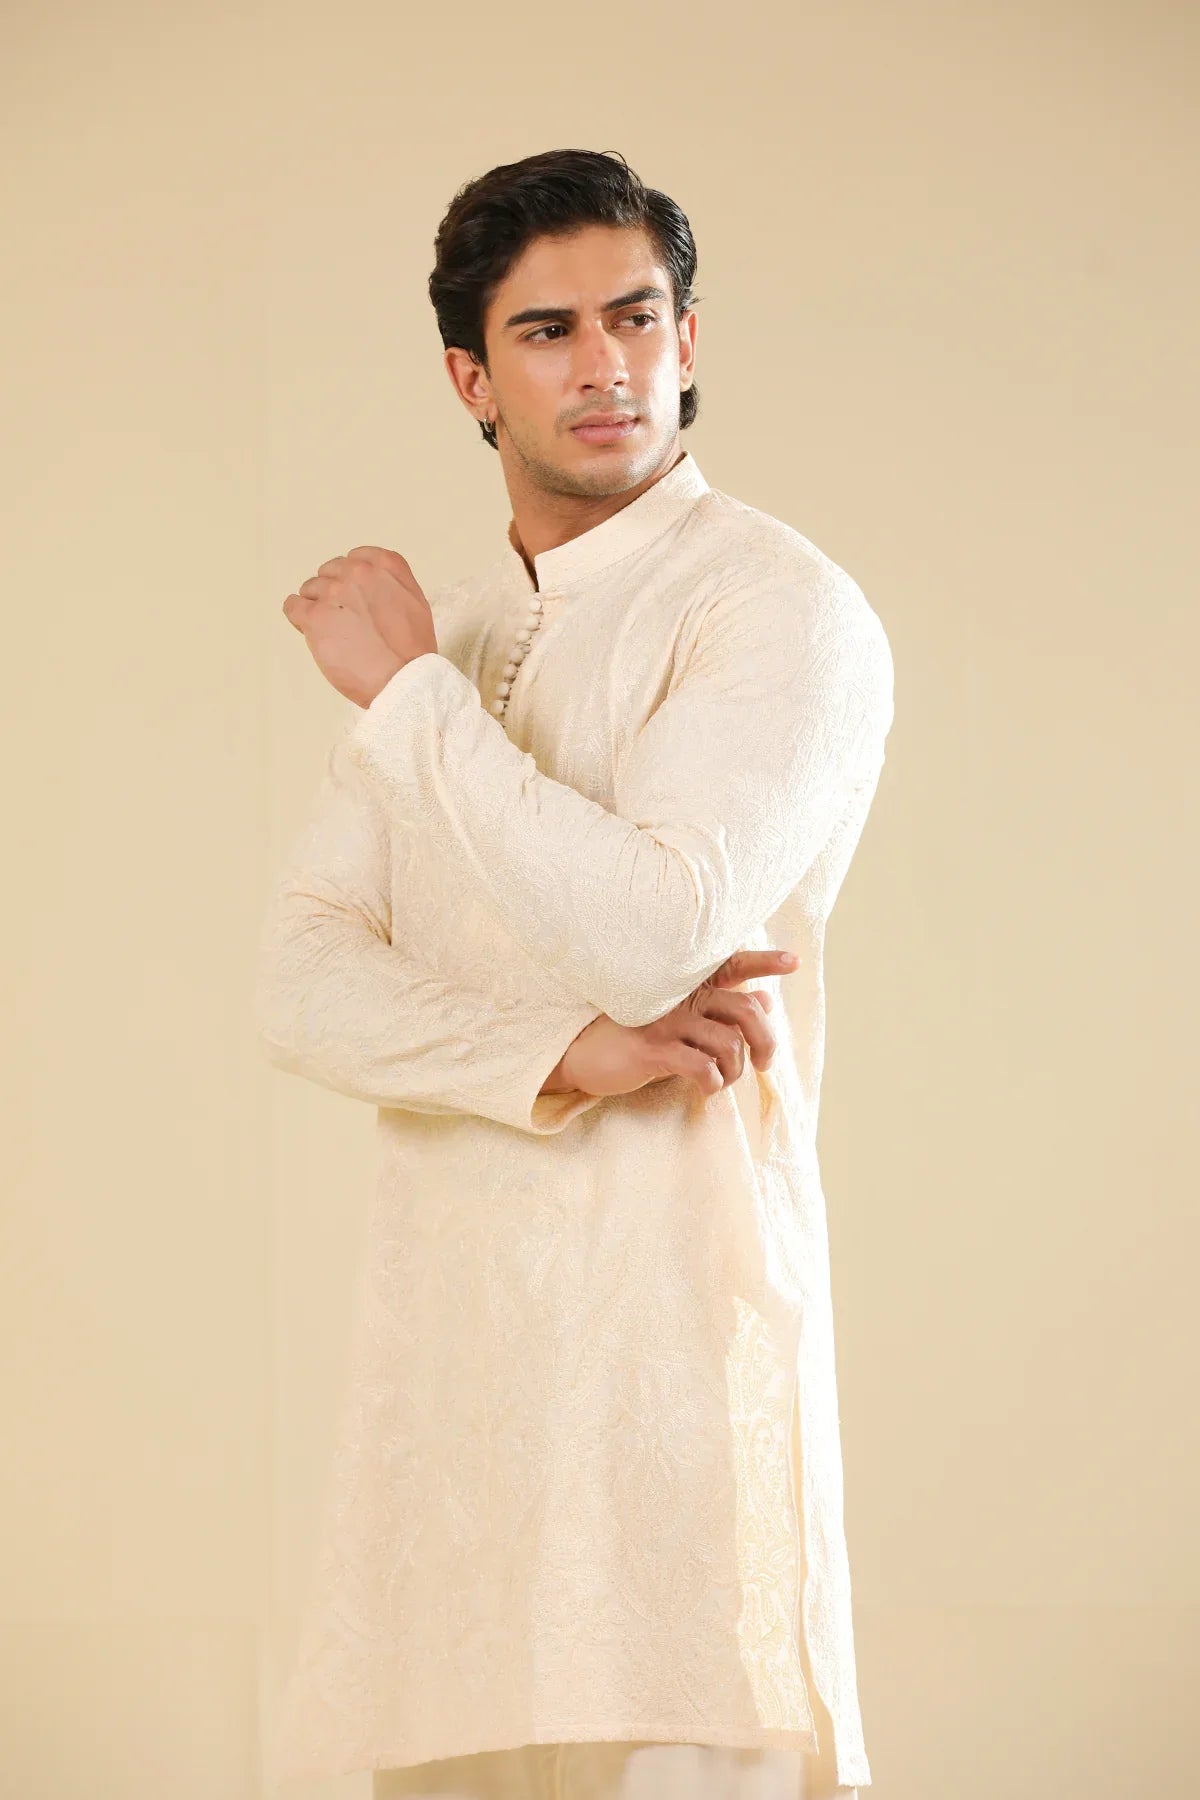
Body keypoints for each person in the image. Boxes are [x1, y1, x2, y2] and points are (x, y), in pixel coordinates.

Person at [256, 147, 894, 1800]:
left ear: (689, 341)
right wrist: (569, 1052)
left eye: (637, 316)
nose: (604, 362)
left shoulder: (776, 607)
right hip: (446, 1396)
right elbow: (303, 981)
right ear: (473, 378)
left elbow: (661, 928)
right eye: (548, 331)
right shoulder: (456, 640)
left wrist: (404, 708)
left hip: (674, 1367)